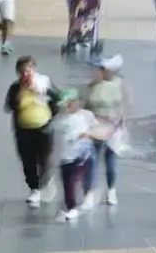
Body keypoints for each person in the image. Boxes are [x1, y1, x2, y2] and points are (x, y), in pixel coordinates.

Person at [5, 56, 60, 208]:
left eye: (28, 70)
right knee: (28, 161)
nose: (26, 74)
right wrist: (21, 92)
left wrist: (43, 92)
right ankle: (34, 188)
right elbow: (10, 106)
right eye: (22, 71)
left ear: (34, 70)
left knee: (44, 159)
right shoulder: (16, 88)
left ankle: (45, 180)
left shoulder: (44, 83)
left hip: (44, 129)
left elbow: (59, 100)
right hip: (23, 131)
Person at [53, 87, 106, 220]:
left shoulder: (86, 115)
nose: (67, 107)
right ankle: (72, 208)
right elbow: (52, 134)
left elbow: (98, 130)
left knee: (77, 177)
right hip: (65, 158)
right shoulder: (59, 119)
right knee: (67, 185)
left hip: (82, 155)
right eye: (64, 104)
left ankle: (89, 193)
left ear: (76, 102)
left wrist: (88, 135)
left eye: (69, 103)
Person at [84, 53, 129, 206]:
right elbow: (86, 106)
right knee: (93, 161)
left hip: (113, 129)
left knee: (111, 160)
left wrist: (121, 123)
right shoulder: (92, 86)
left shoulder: (119, 84)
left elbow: (124, 105)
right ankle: (90, 192)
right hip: (95, 128)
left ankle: (111, 190)